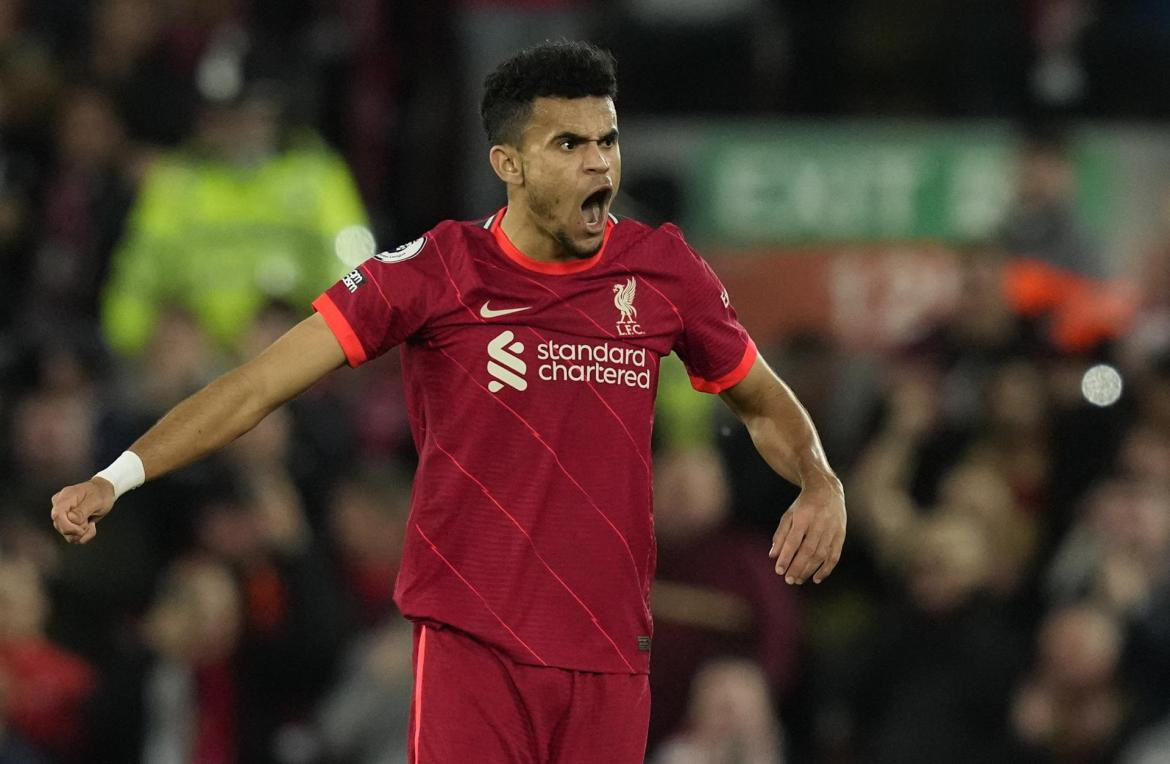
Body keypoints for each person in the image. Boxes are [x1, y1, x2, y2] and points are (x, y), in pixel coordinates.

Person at [51, 41, 846, 763]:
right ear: (509, 161)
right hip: (477, 646)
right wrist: (117, 477)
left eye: (607, 142)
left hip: (609, 652)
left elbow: (760, 396)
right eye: (568, 145)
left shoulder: (663, 269)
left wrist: (818, 478)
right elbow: (257, 384)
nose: (598, 166)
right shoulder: (437, 272)